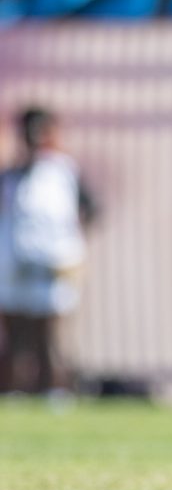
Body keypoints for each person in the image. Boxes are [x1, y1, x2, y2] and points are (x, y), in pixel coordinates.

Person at [0, 106, 96, 395]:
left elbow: (89, 210)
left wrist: (69, 249)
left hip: (52, 266)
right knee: (15, 336)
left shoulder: (63, 173)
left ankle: (53, 392)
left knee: (48, 336)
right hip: (14, 267)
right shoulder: (10, 176)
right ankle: (13, 392)